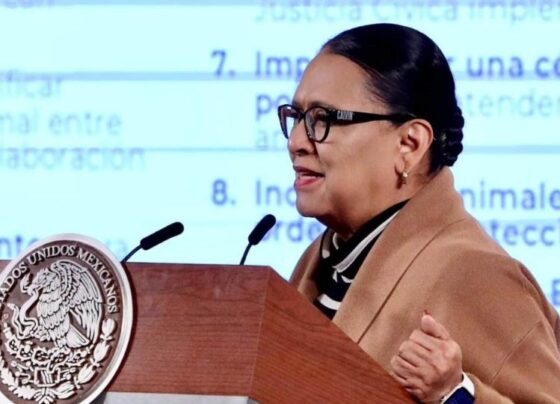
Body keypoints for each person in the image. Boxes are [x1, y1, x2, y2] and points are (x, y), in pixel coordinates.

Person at [279, 23, 560, 403]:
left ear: (410, 144)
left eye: (323, 119)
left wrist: (457, 395)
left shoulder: (475, 273)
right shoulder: (322, 258)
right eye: (297, 116)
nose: (297, 141)